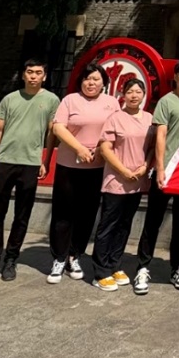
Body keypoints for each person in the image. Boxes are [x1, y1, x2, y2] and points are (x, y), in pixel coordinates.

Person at [0, 59, 60, 283]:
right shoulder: (10, 99)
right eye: (30, 72)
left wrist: (46, 160)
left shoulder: (52, 100)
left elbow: (52, 133)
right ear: (23, 75)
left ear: (44, 76)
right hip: (4, 161)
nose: (33, 76)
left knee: (22, 215)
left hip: (31, 163)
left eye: (38, 72)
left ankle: (11, 259)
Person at [133, 57, 179, 295]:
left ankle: (178, 267)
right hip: (166, 170)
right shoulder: (166, 101)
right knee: (153, 221)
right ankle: (143, 267)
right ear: (175, 77)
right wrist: (161, 168)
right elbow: (161, 136)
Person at [47, 63, 120, 283]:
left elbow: (116, 130)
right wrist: (79, 148)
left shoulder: (112, 103)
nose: (91, 83)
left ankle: (74, 255)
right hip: (69, 165)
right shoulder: (70, 100)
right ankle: (59, 258)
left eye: (96, 79)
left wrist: (100, 149)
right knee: (63, 213)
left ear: (104, 82)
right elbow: (58, 128)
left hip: (97, 167)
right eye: (87, 79)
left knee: (87, 214)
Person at [91, 79, 154, 291]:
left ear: (144, 94)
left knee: (125, 224)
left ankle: (115, 264)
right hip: (116, 180)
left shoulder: (149, 119)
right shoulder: (115, 118)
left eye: (138, 92)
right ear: (123, 95)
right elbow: (105, 148)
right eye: (130, 92)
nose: (134, 95)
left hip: (137, 180)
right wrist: (123, 170)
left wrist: (145, 166)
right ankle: (100, 271)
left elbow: (152, 148)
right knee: (108, 224)